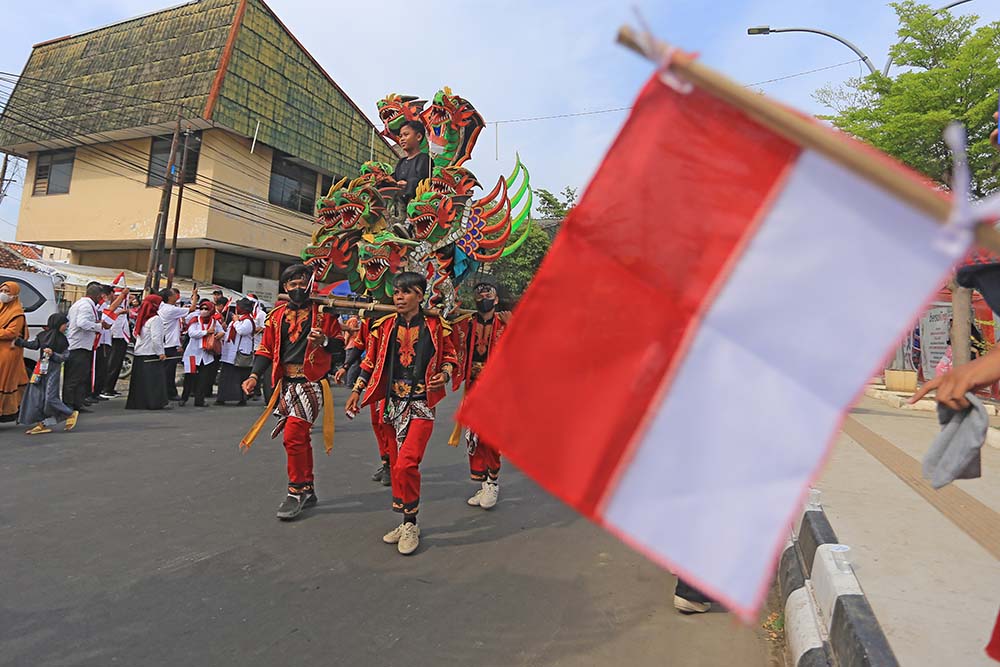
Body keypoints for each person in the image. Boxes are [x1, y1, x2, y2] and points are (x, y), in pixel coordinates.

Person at [345, 272, 457, 556]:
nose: (398, 297)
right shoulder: (382, 327)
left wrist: (444, 374)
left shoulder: (437, 327)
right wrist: (358, 390)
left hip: (420, 404)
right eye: (396, 292)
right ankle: (408, 520)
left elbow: (450, 358)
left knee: (407, 464)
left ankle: (411, 524)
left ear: (420, 296)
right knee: (396, 466)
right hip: (392, 405)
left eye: (406, 292)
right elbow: (370, 361)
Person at [240, 264, 344, 520]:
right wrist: (254, 375)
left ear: (310, 284)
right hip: (285, 384)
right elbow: (265, 349)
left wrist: (325, 342)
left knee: (293, 436)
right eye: (292, 284)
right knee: (301, 438)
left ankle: (295, 491)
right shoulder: (275, 316)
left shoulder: (325, 315)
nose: (297, 288)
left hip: (312, 383)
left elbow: (340, 349)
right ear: (285, 287)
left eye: (302, 283)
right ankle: (307, 487)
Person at [450, 282, 511, 509]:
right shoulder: (466, 324)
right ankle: (484, 481)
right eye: (479, 294)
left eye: (488, 294)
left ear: (496, 300)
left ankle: (493, 482)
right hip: (473, 386)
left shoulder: (507, 323)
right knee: (474, 436)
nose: (483, 296)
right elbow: (449, 332)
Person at [335, 314, 392, 487]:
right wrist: (345, 367)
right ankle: (386, 462)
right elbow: (360, 347)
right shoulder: (369, 320)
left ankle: (394, 463)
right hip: (374, 375)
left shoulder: (399, 317)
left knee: (386, 420)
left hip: (395, 378)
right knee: (377, 421)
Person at [15, 313, 78, 433]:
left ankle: (69, 413)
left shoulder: (63, 340)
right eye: (65, 324)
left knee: (50, 397)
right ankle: (41, 424)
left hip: (53, 370)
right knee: (36, 397)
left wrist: (53, 354)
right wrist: (18, 341)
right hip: (40, 369)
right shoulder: (42, 336)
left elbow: (64, 357)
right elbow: (33, 345)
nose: (66, 327)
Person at [64, 283, 112, 413]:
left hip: (82, 345)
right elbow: (82, 323)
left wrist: (97, 323)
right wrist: (98, 326)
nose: (101, 300)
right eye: (100, 297)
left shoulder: (81, 304)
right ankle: (69, 404)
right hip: (79, 346)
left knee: (81, 376)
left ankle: (77, 403)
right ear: (97, 296)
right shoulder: (85, 306)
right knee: (74, 378)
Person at [126, 294, 169, 411]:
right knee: (152, 381)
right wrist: (161, 353)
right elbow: (156, 339)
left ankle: (139, 403)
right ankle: (153, 402)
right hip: (151, 353)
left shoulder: (143, 318)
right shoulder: (156, 319)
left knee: (140, 381)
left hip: (140, 353)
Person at [179, 299, 223, 407]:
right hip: (193, 354)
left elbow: (222, 331)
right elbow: (192, 333)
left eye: (206, 309)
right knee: (189, 377)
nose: (203, 311)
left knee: (203, 379)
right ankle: (184, 398)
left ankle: (200, 400)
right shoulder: (195, 320)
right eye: (202, 309)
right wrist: (206, 332)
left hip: (206, 355)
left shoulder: (214, 321)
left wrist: (220, 334)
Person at [158, 287, 196, 401]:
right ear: (169, 297)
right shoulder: (170, 309)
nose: (177, 297)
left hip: (166, 342)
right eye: (175, 295)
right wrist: (194, 296)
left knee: (166, 371)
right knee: (169, 372)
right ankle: (170, 393)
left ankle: (166, 392)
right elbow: (192, 308)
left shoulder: (163, 307)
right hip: (169, 345)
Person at [216, 298, 255, 406]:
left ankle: (241, 398)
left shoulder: (247, 320)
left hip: (239, 354)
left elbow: (242, 331)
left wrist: (236, 321)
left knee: (240, 377)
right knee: (225, 376)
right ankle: (222, 397)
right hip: (229, 352)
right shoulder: (237, 320)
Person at [0, 281, 29, 423]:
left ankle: (5, 411)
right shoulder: (1, 308)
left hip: (8, 352)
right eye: (2, 290)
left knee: (4, 381)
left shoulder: (17, 313)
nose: (4, 294)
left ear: (14, 295)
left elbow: (12, 332)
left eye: (7, 292)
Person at [100, 286, 131, 399]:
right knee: (112, 363)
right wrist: (123, 295)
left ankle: (110, 388)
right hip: (113, 337)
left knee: (117, 363)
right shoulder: (105, 305)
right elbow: (111, 309)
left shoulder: (120, 304)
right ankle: (106, 388)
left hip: (120, 336)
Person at [393, 120, 432, 205]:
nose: (402, 139)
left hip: (417, 205)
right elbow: (393, 178)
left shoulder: (424, 159)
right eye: (400, 136)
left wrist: (408, 185)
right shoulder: (401, 162)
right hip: (398, 205)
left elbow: (423, 181)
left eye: (406, 135)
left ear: (418, 137)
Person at [89, 285, 114, 403]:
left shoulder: (97, 306)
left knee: (103, 369)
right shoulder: (97, 306)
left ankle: (97, 392)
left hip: (105, 339)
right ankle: (93, 393)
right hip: (99, 341)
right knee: (98, 368)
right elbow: (110, 311)